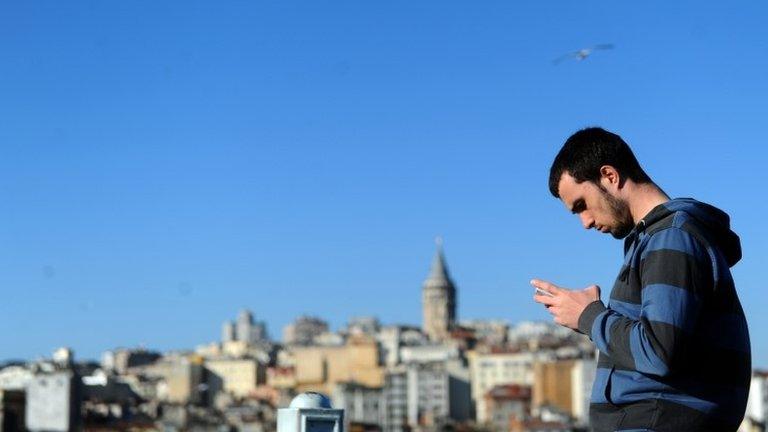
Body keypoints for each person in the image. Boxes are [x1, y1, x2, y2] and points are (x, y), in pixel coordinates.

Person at [533, 127, 751, 431]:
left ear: (609, 175)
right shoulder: (658, 240)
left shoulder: (671, 238)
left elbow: (659, 351)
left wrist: (590, 317)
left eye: (582, 205)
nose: (585, 223)